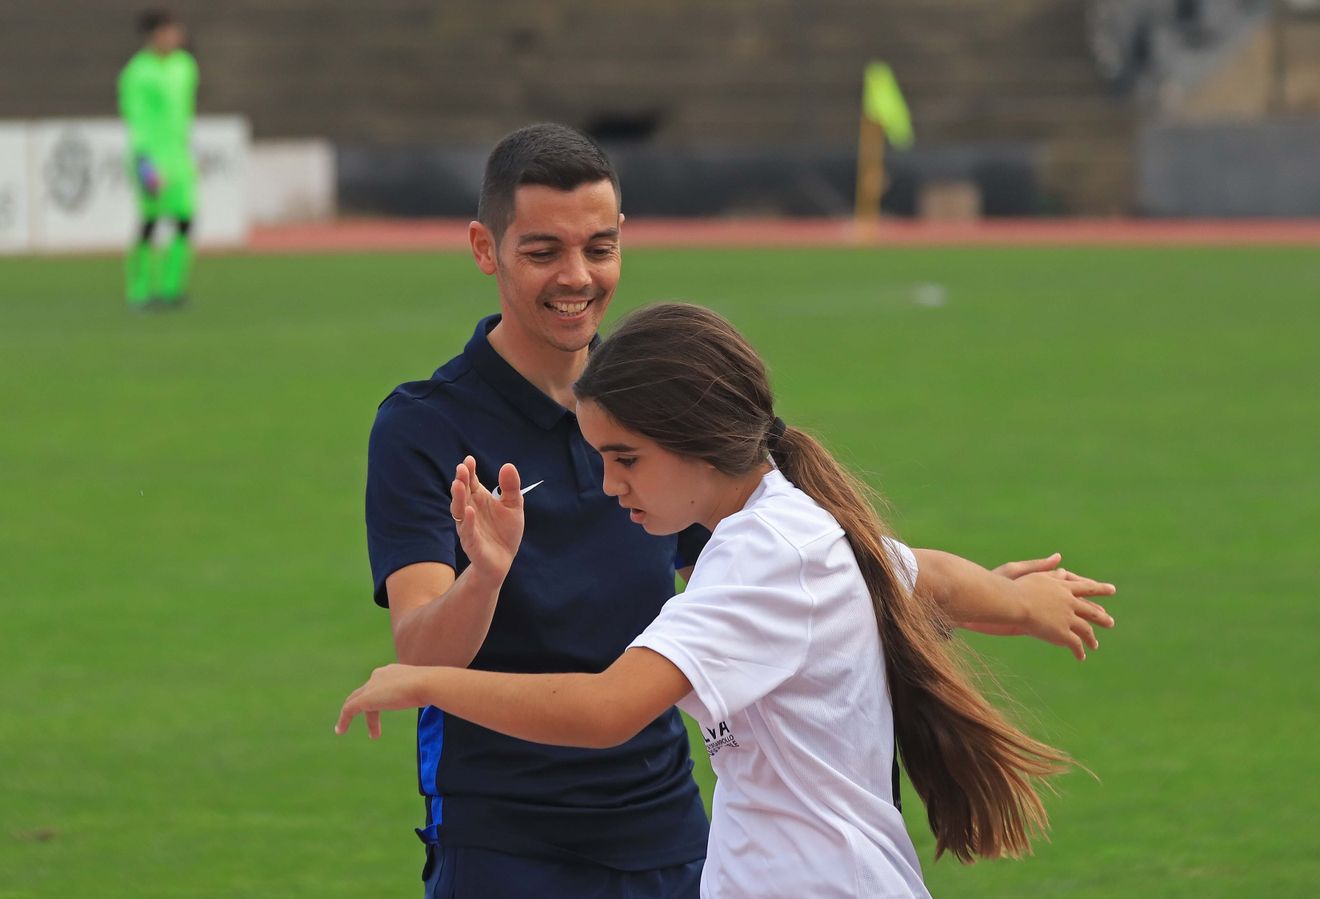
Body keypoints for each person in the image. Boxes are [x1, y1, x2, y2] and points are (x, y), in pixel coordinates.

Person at [363, 123, 1117, 898]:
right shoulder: (430, 427)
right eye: (543, 250)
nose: (577, 275)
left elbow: (617, 699)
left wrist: (1012, 603)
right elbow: (889, 572)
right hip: (505, 841)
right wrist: (484, 579)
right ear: (486, 248)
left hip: (673, 831)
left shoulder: (669, 425)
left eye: (599, 246)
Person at [117, 9, 198, 311]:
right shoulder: (137, 73)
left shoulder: (185, 66)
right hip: (150, 155)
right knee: (150, 221)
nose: (174, 37)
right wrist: (144, 161)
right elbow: (135, 119)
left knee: (185, 219)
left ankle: (171, 287)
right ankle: (138, 291)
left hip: (179, 155)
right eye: (168, 31)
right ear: (154, 35)